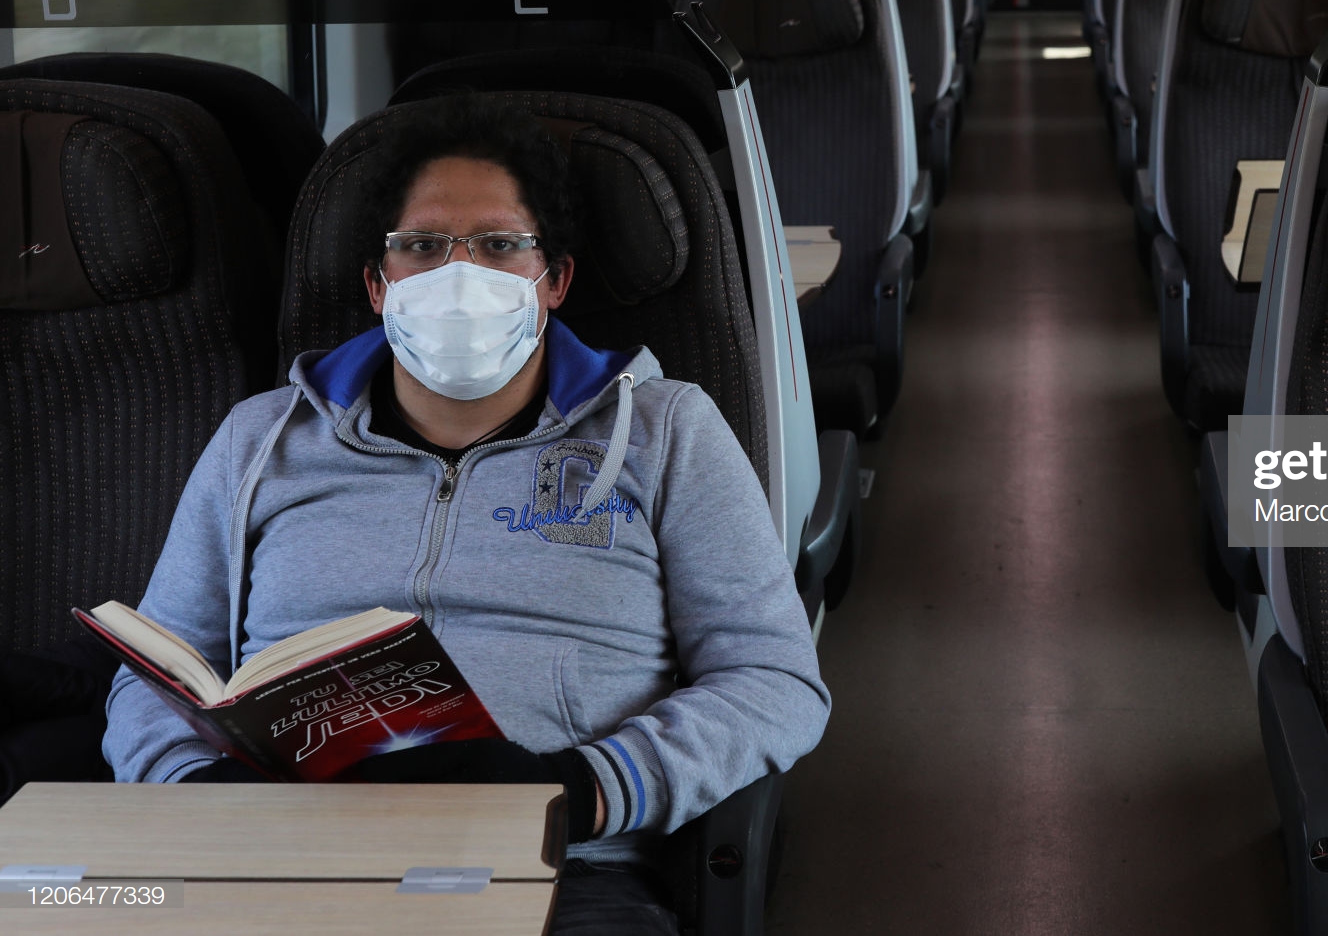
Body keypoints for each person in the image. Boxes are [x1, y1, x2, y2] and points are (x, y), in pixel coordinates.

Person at [103, 94, 829, 934]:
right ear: (379, 285)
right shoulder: (261, 439)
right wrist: (197, 790)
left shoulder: (667, 431)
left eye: (498, 245)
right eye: (422, 246)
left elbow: (775, 680)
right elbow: (155, 674)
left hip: (557, 866)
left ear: (553, 279)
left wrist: (583, 789)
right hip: (286, 859)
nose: (459, 275)